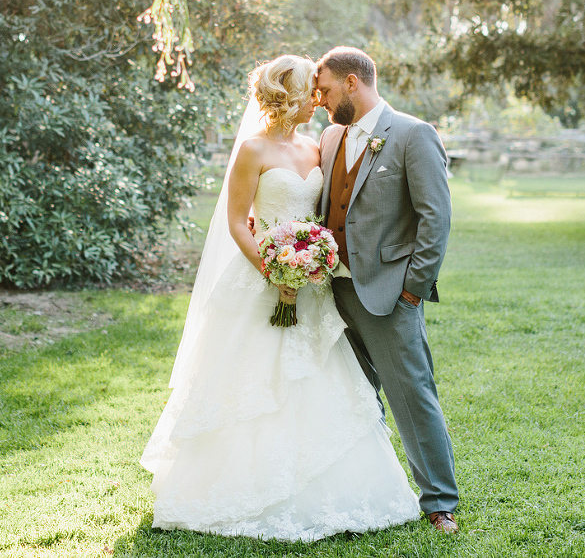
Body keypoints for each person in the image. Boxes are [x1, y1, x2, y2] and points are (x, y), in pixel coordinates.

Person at [141, 54, 419, 541]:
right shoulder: (252, 151)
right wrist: (274, 270)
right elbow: (235, 222)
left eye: (322, 90)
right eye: (311, 91)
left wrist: (310, 263)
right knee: (252, 385)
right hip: (260, 280)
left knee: (315, 379)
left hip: (311, 288)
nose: (319, 99)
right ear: (288, 95)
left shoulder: (317, 148)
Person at [314, 46, 460, 533]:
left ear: (353, 83)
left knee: (412, 395)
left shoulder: (413, 135)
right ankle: (366, 491)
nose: (321, 100)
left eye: (327, 90)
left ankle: (439, 501)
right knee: (352, 397)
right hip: (332, 293)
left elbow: (434, 219)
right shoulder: (331, 138)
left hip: (389, 294)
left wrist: (413, 290)